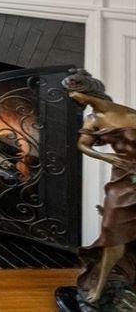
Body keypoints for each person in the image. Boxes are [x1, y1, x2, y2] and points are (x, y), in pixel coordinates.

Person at [63, 69, 136, 305]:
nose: (71, 97)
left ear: (85, 90)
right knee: (112, 233)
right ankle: (99, 285)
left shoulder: (129, 114)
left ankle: (118, 283)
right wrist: (107, 157)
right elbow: (82, 145)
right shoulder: (92, 120)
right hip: (120, 180)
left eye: (72, 92)